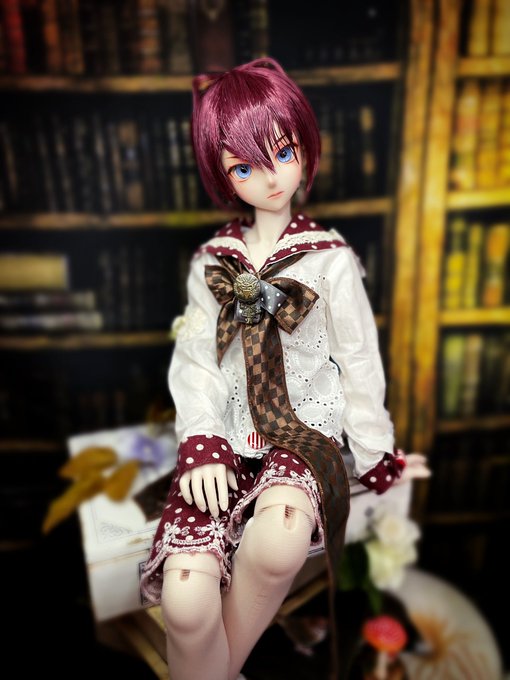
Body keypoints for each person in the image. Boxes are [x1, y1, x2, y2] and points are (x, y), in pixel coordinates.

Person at [140, 58, 428, 680]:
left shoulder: (330, 260)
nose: (270, 178)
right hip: (226, 435)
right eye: (244, 167)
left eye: (283, 152)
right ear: (222, 176)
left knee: (279, 543)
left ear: (305, 147)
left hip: (301, 431)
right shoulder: (214, 260)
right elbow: (196, 358)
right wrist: (203, 439)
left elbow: (359, 362)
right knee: (185, 601)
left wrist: (376, 453)